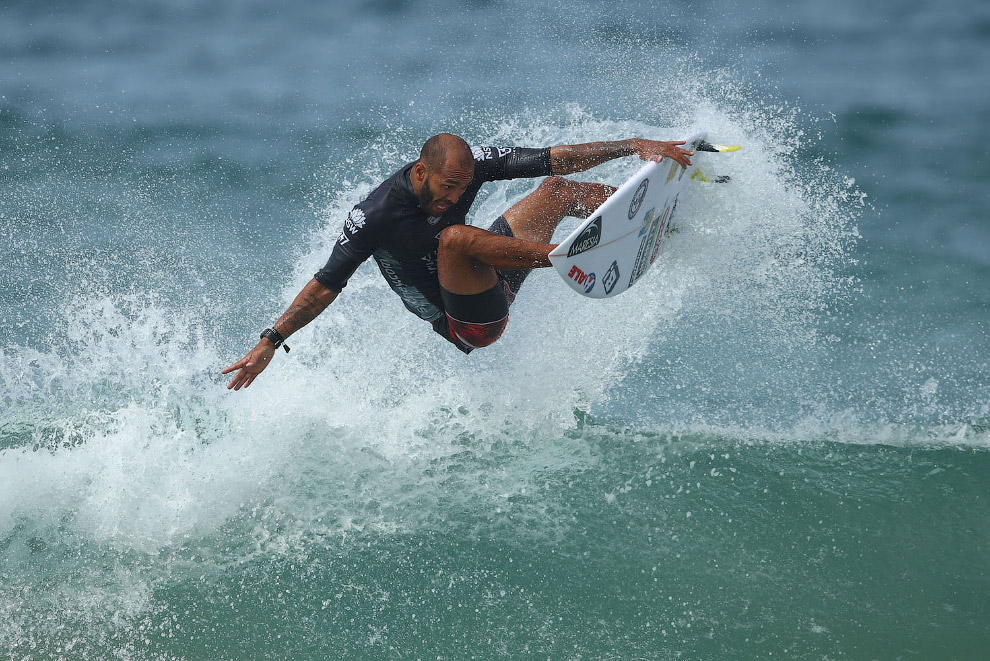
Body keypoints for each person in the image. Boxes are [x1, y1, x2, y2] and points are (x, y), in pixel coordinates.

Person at [222, 133, 693, 390]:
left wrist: (634, 147)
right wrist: (270, 340)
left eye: (462, 186)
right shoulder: (378, 214)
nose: (455, 193)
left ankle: (662, 221)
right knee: (454, 238)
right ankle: (572, 254)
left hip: (492, 272)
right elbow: (325, 284)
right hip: (468, 322)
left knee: (555, 191)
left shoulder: (466, 170)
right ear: (421, 172)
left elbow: (552, 158)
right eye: (447, 186)